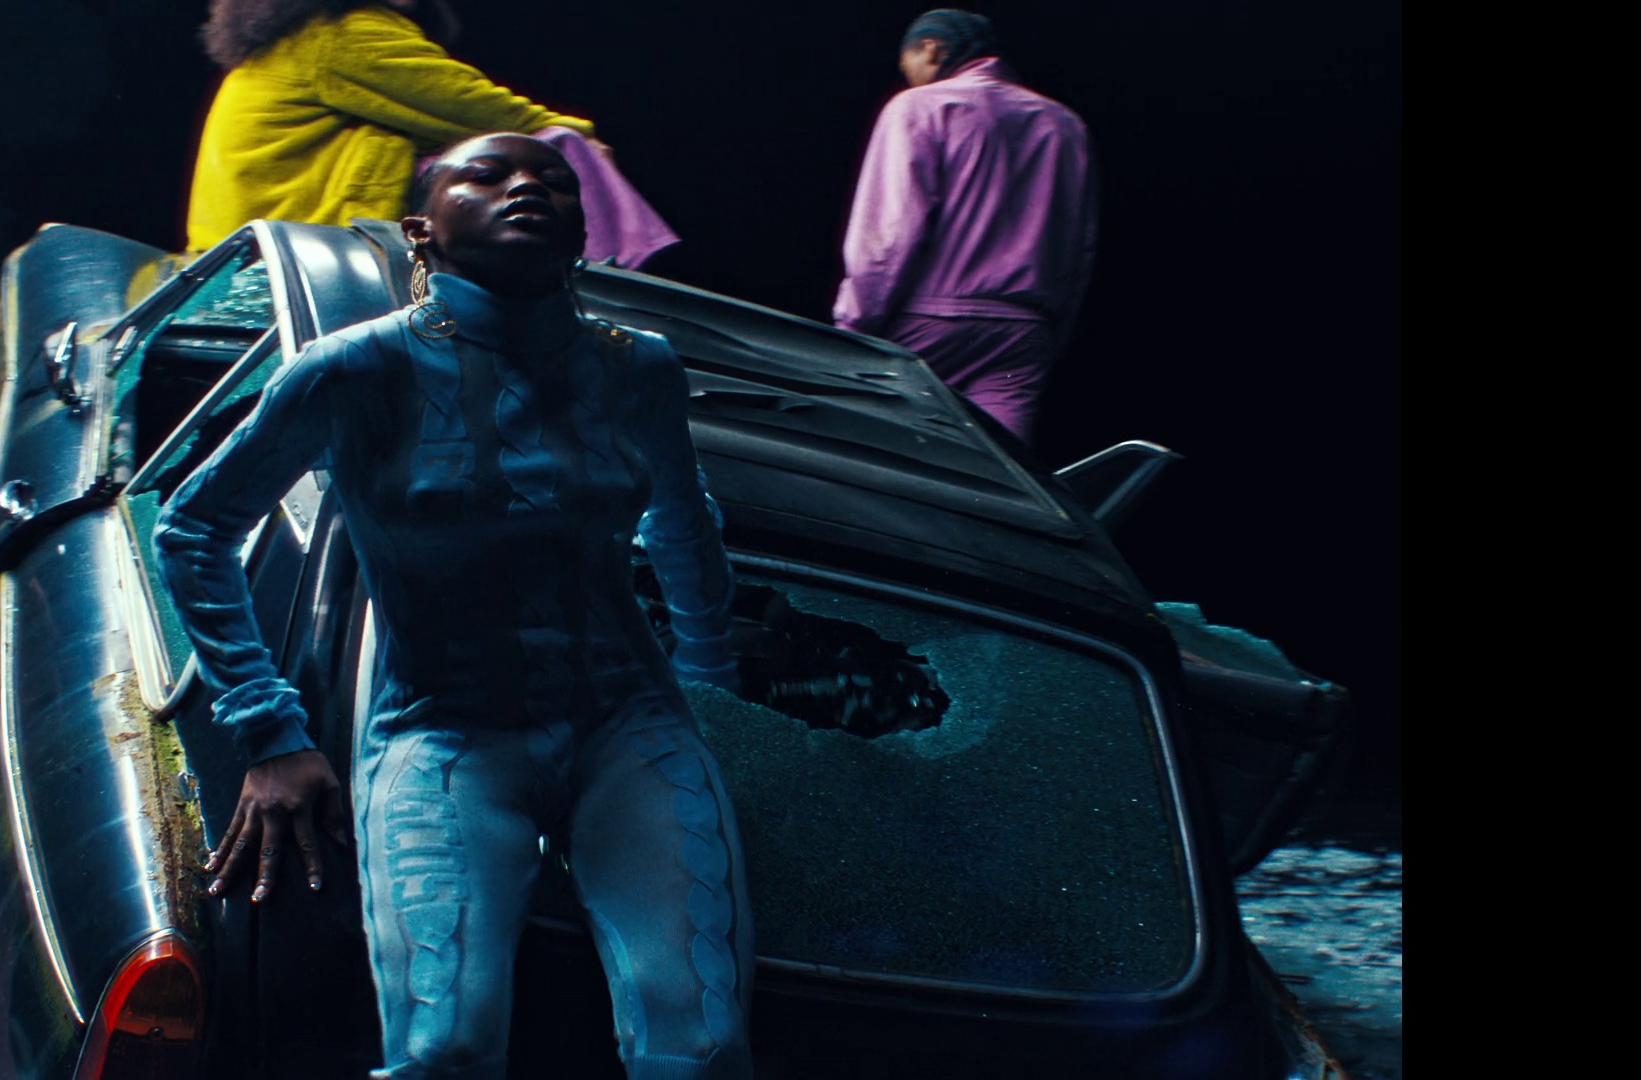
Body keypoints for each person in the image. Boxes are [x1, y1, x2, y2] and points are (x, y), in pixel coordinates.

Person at [155, 132, 754, 1080]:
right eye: (487, 174)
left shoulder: (638, 366)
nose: (526, 186)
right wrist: (269, 730)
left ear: (582, 230)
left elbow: (682, 521)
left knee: (704, 1049)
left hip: (629, 723)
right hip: (441, 729)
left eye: (552, 179)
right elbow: (192, 530)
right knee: (444, 1049)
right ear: (420, 230)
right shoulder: (352, 369)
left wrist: (709, 671)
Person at [185, 0, 678, 268]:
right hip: (297, 255)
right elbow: (473, 106)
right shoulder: (339, 34)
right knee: (553, 147)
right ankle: (609, 279)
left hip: (245, 251)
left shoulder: (296, 39)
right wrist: (581, 134)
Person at [833, 9, 1098, 449]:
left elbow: (889, 235)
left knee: (879, 455)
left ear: (931, 49)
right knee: (994, 470)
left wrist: (853, 325)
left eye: (907, 64)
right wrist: (1050, 336)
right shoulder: (1066, 126)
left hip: (925, 322)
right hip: (1021, 334)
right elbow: (1078, 249)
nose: (908, 76)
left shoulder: (918, 107)